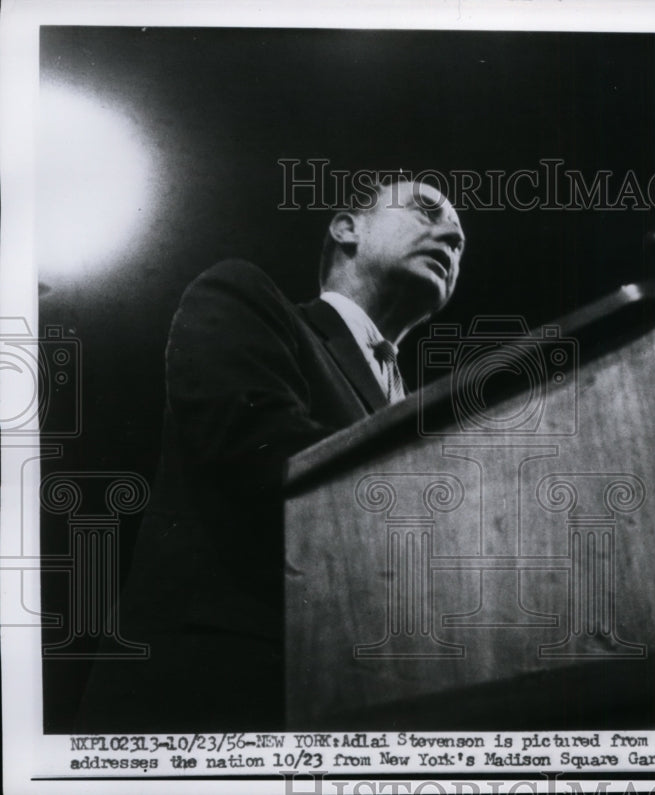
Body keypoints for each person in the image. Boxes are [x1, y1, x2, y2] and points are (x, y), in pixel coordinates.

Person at [78, 178, 465, 731]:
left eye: (458, 242)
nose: (450, 234)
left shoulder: (413, 402)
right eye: (428, 210)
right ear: (347, 227)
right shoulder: (244, 296)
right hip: (214, 698)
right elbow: (256, 449)